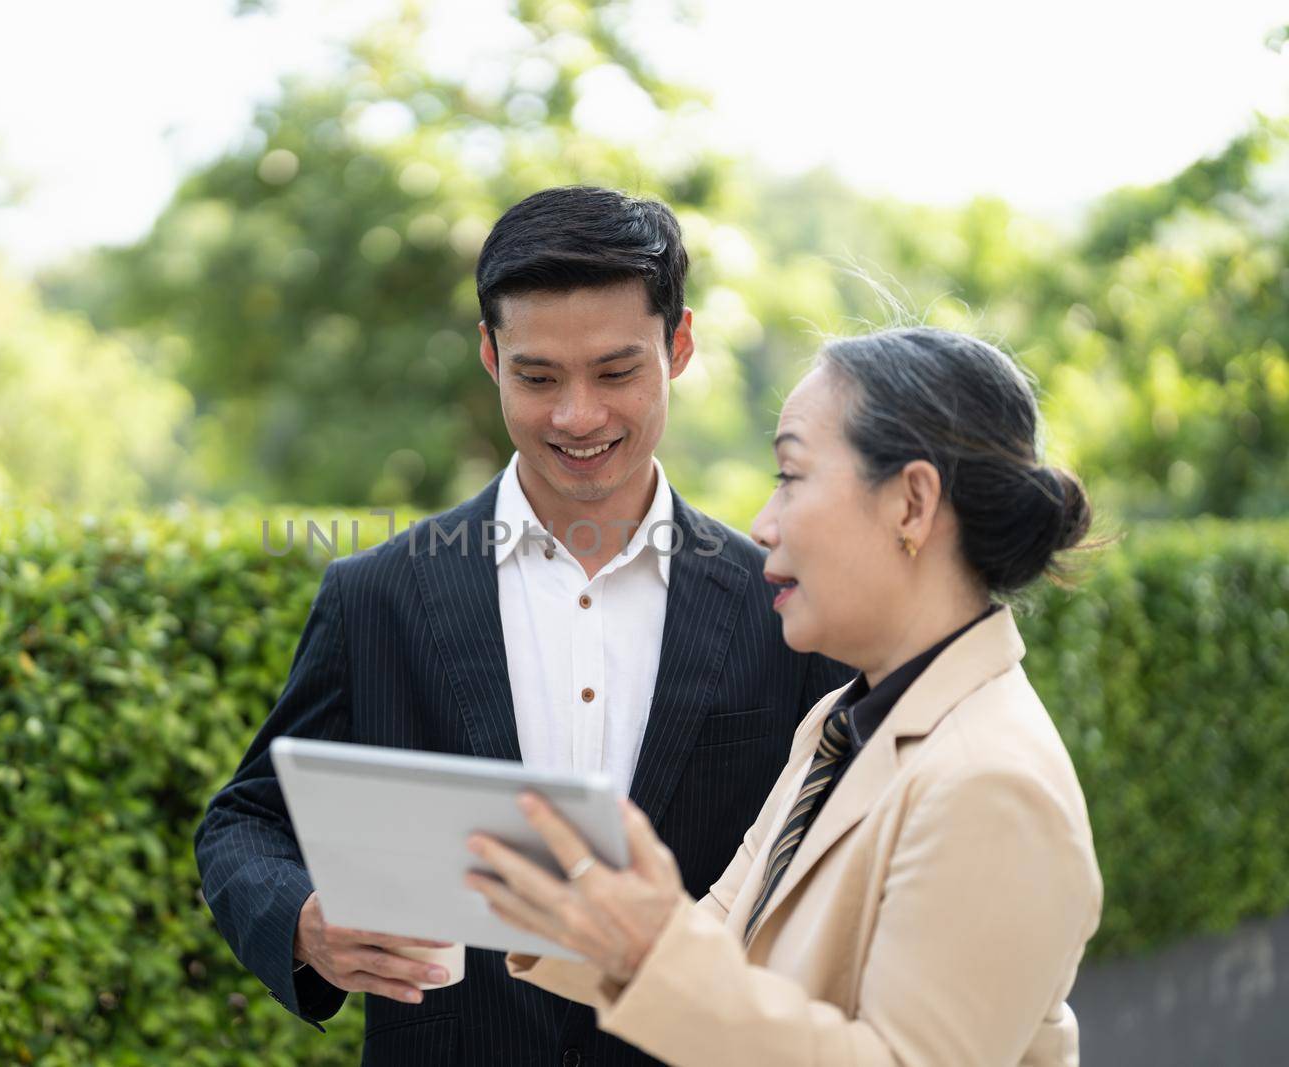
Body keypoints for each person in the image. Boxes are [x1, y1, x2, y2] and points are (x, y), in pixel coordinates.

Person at [193, 186, 852, 1065]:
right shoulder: (377, 594)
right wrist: (305, 922)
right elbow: (244, 821)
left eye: (616, 372)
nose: (577, 416)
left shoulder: (783, 604)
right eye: (537, 376)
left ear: (680, 346)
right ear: (489, 354)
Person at [466, 326, 1103, 1066]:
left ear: (911, 503)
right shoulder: (840, 721)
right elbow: (722, 935)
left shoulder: (992, 784)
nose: (762, 524)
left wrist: (648, 951)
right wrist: (525, 902)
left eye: (791, 476)